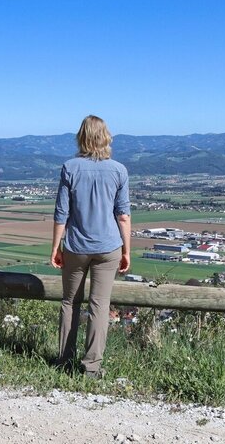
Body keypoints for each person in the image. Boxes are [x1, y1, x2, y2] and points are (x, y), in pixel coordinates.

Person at [49, 115, 131, 379]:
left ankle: (64, 361)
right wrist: (127, 250)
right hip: (109, 247)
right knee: (99, 305)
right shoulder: (119, 170)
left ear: (81, 137)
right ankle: (92, 368)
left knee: (70, 302)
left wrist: (55, 247)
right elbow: (123, 215)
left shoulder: (70, 168)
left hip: (76, 246)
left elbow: (61, 213)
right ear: (106, 137)